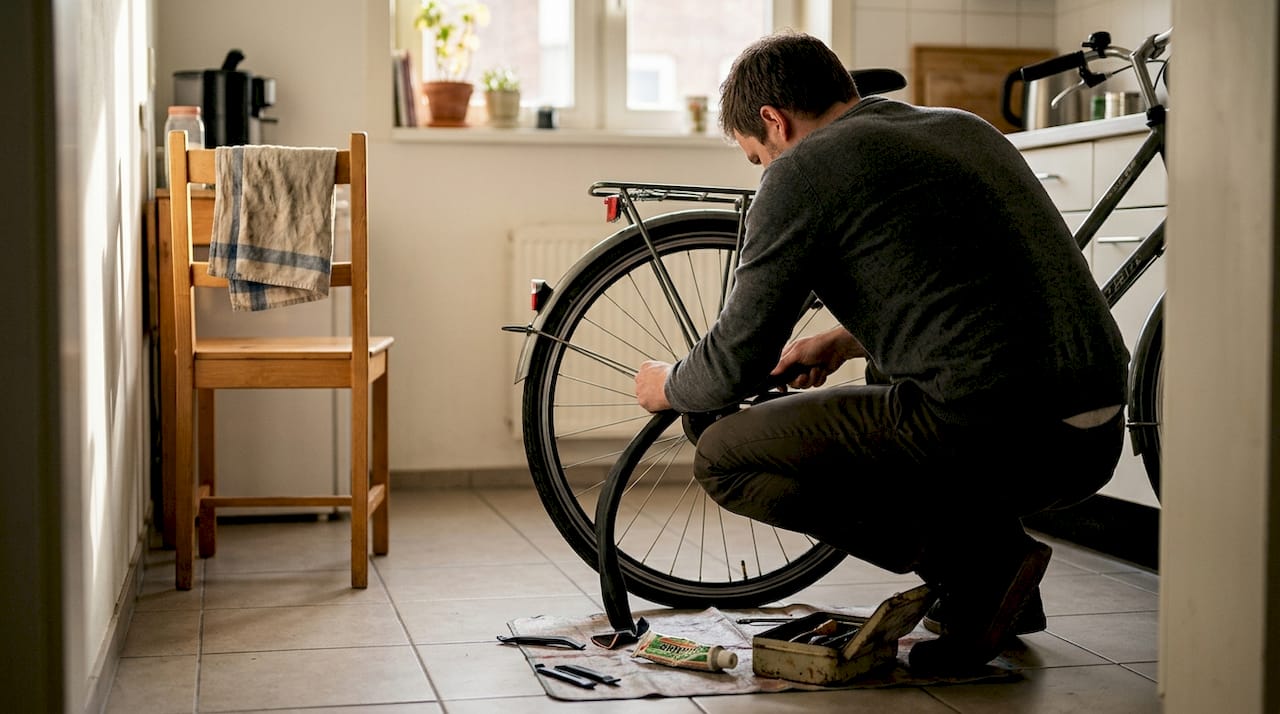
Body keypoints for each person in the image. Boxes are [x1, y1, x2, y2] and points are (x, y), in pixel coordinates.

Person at [633, 32, 1129, 673]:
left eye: (757, 158)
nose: (764, 169)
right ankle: (1005, 590)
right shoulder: (963, 128)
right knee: (889, 375)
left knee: (722, 453)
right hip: (1093, 435)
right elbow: (982, 290)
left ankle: (984, 571)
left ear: (773, 123)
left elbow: (734, 361)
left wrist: (667, 384)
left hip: (998, 431)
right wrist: (842, 339)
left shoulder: (801, 171)